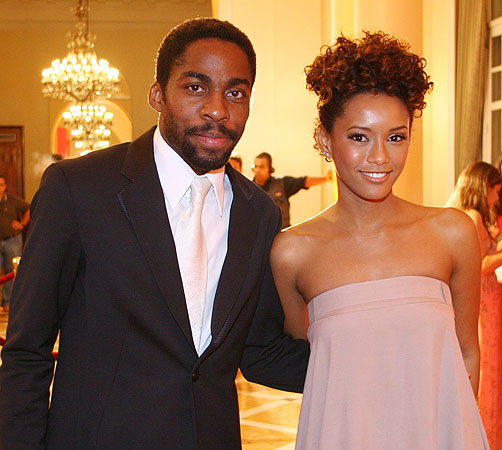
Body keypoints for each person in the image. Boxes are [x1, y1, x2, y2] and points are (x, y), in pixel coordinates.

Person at [0, 18, 309, 450]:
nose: (217, 109)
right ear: (157, 95)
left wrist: (375, 361)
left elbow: (259, 351)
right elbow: (27, 351)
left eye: (236, 93)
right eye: (196, 87)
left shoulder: (258, 213)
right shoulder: (79, 189)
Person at [271, 31, 489, 449]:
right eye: (359, 136)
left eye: (396, 136)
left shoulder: (452, 232)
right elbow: (312, 366)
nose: (380, 157)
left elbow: (466, 355)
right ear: (324, 140)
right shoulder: (293, 252)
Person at [448, 161, 502, 450]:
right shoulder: (472, 217)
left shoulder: (470, 216)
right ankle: (487, 436)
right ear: (484, 188)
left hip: (487, 297)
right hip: (483, 300)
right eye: (495, 191)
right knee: (488, 367)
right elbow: (478, 266)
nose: (496, 198)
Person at [252, 152, 332, 228]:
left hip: (281, 233)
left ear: (270, 169)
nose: (257, 170)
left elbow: (304, 182)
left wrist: (325, 178)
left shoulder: (282, 184)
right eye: (255, 166)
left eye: (261, 167)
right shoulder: (249, 189)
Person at [0, 175, 29, 312]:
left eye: (1, 185)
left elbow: (30, 208)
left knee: (11, 272)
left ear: (5, 186)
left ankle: (8, 303)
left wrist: (22, 224)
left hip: (12, 240)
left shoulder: (12, 200)